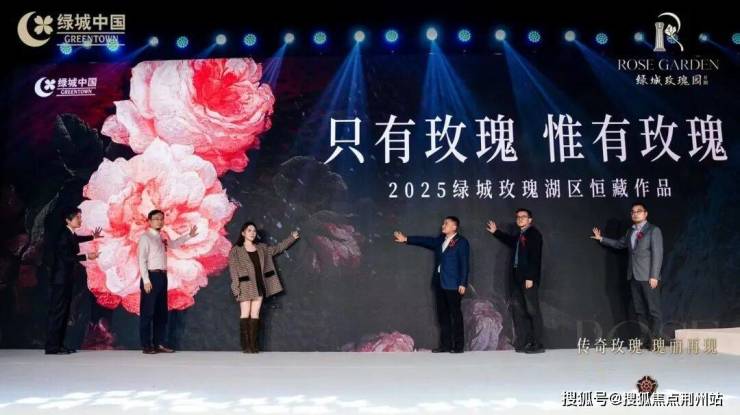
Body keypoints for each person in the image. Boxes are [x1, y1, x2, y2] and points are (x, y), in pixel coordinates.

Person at [591, 202, 664, 347]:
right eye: (633, 212)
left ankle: (656, 340)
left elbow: (658, 254)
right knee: (639, 311)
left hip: (649, 277)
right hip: (633, 276)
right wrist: (602, 239)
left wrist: (654, 276)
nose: (635, 214)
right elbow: (620, 244)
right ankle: (645, 339)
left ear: (645, 214)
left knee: (653, 310)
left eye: (639, 211)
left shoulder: (653, 230)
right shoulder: (630, 231)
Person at [394, 216, 469, 353]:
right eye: (443, 223)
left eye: (446, 223)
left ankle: (458, 346)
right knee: (443, 316)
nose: (443, 225)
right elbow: (426, 241)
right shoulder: (441, 240)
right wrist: (406, 239)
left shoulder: (462, 242)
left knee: (455, 316)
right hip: (439, 282)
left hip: (453, 284)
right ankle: (445, 345)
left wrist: (463, 283)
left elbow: (464, 263)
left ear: (454, 227)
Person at [228, 222, 299, 353]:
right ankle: (246, 346)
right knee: (245, 314)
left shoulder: (262, 248)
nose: (252, 233)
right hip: (244, 286)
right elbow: (233, 271)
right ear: (243, 233)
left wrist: (292, 238)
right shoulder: (236, 251)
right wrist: (236, 288)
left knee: (255, 315)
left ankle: (254, 346)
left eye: (254, 231)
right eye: (249, 230)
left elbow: (278, 248)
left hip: (259, 285)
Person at [137, 209, 197, 354]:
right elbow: (141, 260)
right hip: (151, 276)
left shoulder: (161, 236)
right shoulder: (145, 237)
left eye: (161, 219)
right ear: (149, 221)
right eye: (156, 219)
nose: (159, 221)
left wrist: (189, 235)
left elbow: (173, 244)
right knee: (148, 312)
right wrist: (146, 280)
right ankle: (146, 345)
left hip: (162, 277)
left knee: (161, 312)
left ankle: (158, 343)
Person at [486, 208, 545, 354]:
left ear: (530, 220)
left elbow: (535, 257)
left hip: (528, 279)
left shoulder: (534, 234)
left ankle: (538, 344)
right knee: (521, 312)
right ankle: (526, 342)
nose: (520, 219)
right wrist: (496, 232)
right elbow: (510, 241)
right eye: (518, 217)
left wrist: (530, 277)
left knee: (532, 311)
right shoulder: (520, 234)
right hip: (517, 279)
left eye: (523, 217)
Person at [45, 207, 101, 355]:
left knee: (64, 312)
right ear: (68, 220)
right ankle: (52, 346)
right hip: (61, 280)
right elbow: (66, 258)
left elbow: (76, 239)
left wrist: (92, 237)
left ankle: (59, 345)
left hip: (66, 279)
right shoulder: (63, 235)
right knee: (58, 312)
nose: (80, 220)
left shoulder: (69, 233)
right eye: (77, 217)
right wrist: (87, 256)